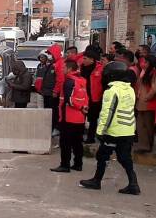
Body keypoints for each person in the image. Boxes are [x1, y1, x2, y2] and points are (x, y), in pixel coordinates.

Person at [80, 61, 140, 195]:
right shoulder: (130, 89)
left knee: (102, 155)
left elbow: (107, 113)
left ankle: (96, 181)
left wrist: (100, 131)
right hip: (128, 130)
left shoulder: (111, 91)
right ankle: (133, 183)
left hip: (113, 131)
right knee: (125, 158)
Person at [51, 59, 87, 173]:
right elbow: (85, 98)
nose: (62, 69)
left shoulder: (69, 81)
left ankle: (65, 165)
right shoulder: (82, 80)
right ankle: (78, 164)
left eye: (64, 67)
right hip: (80, 117)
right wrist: (83, 108)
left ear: (70, 69)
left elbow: (68, 100)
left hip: (68, 117)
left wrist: (78, 107)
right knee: (77, 142)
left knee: (65, 143)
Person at [134, 55, 156, 153]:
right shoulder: (143, 72)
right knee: (141, 125)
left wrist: (147, 97)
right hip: (141, 103)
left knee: (148, 126)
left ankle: (147, 146)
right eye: (142, 62)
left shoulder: (154, 73)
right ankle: (144, 145)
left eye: (145, 62)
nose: (143, 64)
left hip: (148, 103)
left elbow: (155, 88)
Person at [81, 50, 103, 143]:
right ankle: (80, 136)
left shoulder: (100, 68)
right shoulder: (81, 68)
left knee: (93, 119)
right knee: (81, 117)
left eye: (85, 59)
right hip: (83, 97)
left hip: (95, 98)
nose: (83, 60)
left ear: (92, 60)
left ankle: (91, 137)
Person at [35, 51, 58, 132]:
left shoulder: (50, 67)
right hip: (39, 90)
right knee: (40, 108)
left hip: (46, 91)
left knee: (48, 108)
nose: (41, 59)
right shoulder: (38, 66)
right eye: (40, 57)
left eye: (43, 57)